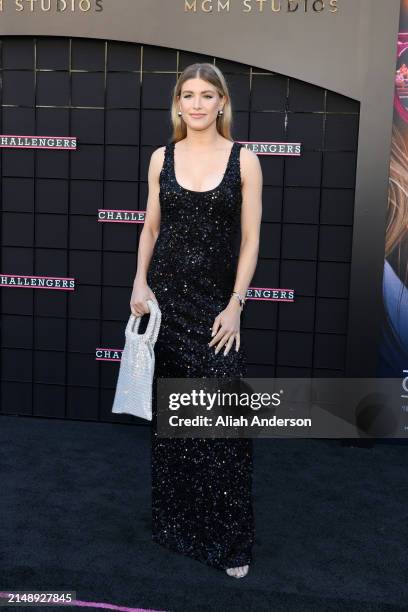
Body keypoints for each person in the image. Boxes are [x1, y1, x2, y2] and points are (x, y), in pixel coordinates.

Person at [130, 62, 262, 578]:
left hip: (214, 308)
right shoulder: (162, 157)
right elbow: (149, 227)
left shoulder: (244, 161)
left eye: (209, 95)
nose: (199, 103)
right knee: (175, 421)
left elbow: (250, 239)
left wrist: (235, 303)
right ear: (178, 104)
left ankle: (233, 544)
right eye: (189, 95)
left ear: (223, 103)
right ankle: (178, 527)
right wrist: (140, 283)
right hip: (166, 303)